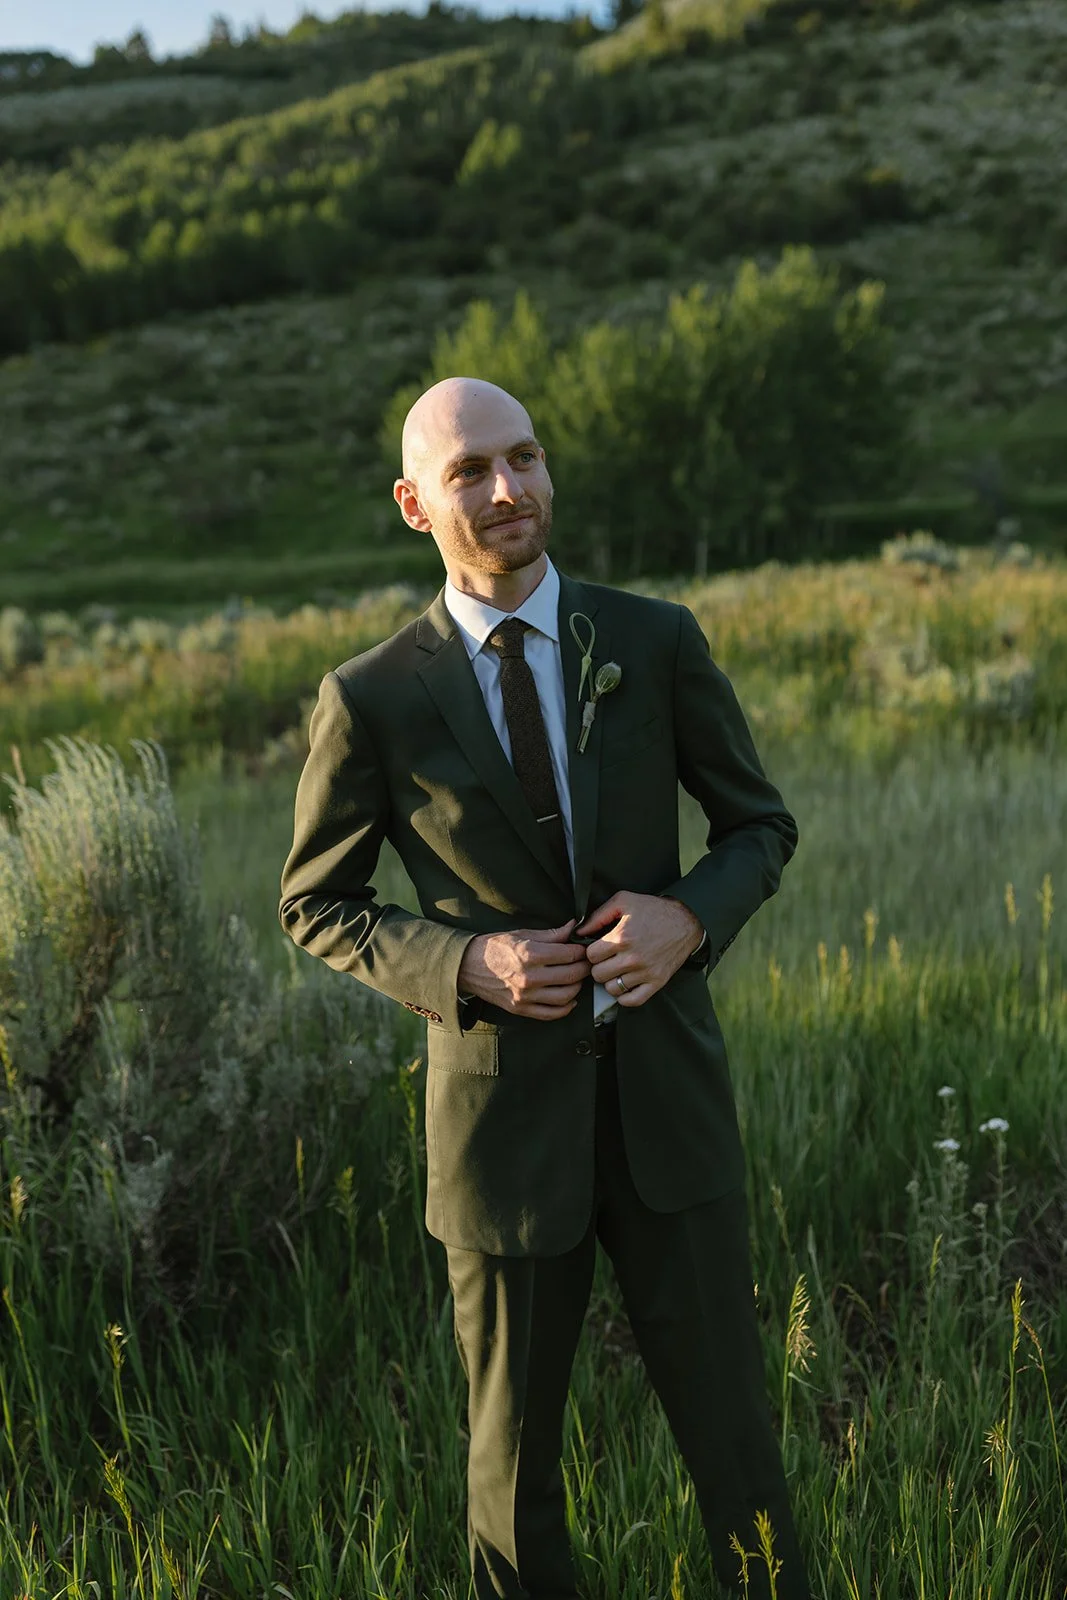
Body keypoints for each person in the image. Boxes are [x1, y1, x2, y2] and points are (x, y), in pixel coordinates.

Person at [279, 376, 811, 1600]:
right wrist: (461, 963)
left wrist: (689, 917)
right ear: (415, 504)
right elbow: (315, 903)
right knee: (511, 1483)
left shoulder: (652, 638)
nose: (508, 489)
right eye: (471, 471)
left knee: (738, 1450)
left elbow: (758, 826)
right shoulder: (370, 695)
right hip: (501, 1141)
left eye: (523, 459)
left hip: (669, 1113)